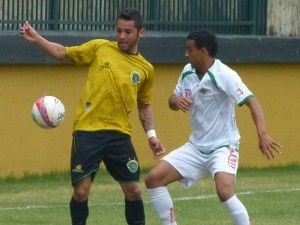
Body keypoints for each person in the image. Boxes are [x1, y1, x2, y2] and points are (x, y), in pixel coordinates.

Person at [20, 8, 165, 225]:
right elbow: (63, 53)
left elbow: (144, 106)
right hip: (88, 131)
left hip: (119, 134)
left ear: (140, 32)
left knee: (134, 190)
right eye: (119, 31)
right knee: (81, 191)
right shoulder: (100, 48)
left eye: (128, 32)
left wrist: (152, 135)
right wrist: (38, 39)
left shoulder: (146, 69)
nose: (122, 36)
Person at [144, 30, 282, 225]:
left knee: (224, 190)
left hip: (223, 146)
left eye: (189, 50)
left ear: (203, 51)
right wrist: (176, 100)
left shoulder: (224, 74)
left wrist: (262, 134)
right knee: (153, 179)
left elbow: (253, 103)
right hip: (195, 147)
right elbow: (171, 102)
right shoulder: (187, 71)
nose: (185, 54)